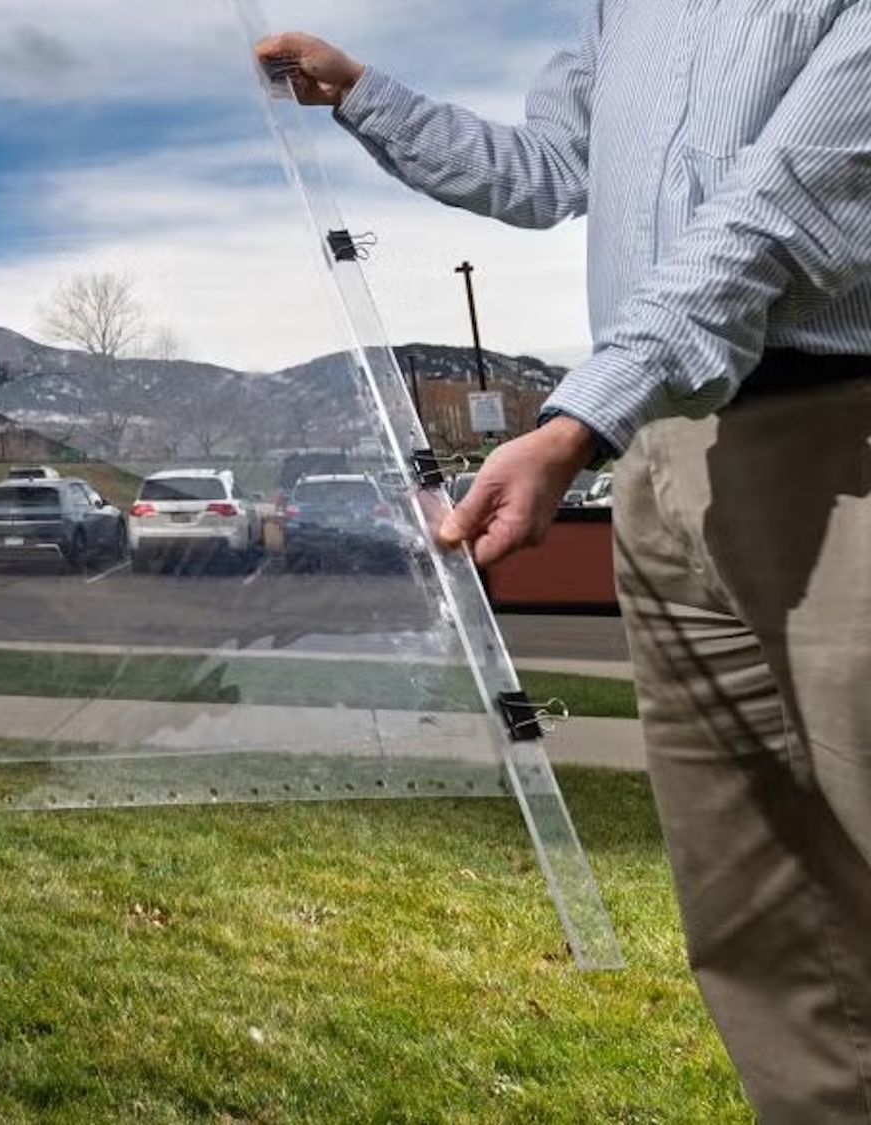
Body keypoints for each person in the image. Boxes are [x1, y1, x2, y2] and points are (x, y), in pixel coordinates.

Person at [260, 8, 871, 1120]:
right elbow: (542, 170)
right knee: (758, 915)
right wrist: (359, 93)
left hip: (834, 442)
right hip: (656, 456)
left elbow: (785, 208)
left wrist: (572, 425)